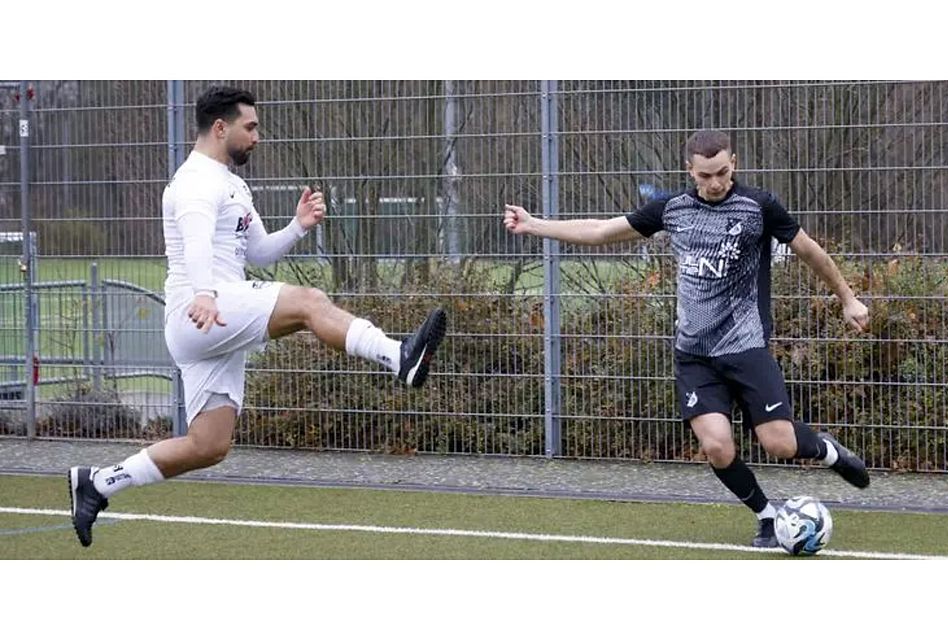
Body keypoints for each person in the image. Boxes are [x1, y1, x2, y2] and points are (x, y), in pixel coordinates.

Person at [67, 86, 447, 547]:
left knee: (209, 445)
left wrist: (298, 227)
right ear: (220, 128)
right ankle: (399, 356)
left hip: (214, 315)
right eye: (250, 127)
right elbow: (197, 243)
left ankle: (98, 483)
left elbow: (260, 254)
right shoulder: (195, 183)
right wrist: (205, 294)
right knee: (309, 302)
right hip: (204, 310)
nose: (257, 136)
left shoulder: (233, 183)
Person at [503, 129, 870, 547]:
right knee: (716, 447)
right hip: (695, 355)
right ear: (690, 171)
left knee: (781, 445)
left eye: (723, 172)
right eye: (705, 175)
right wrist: (535, 225)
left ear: (735, 163)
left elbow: (810, 251)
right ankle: (768, 517)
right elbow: (603, 231)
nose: (715, 182)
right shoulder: (672, 209)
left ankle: (830, 453)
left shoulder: (759, 207)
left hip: (746, 346)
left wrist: (848, 299)